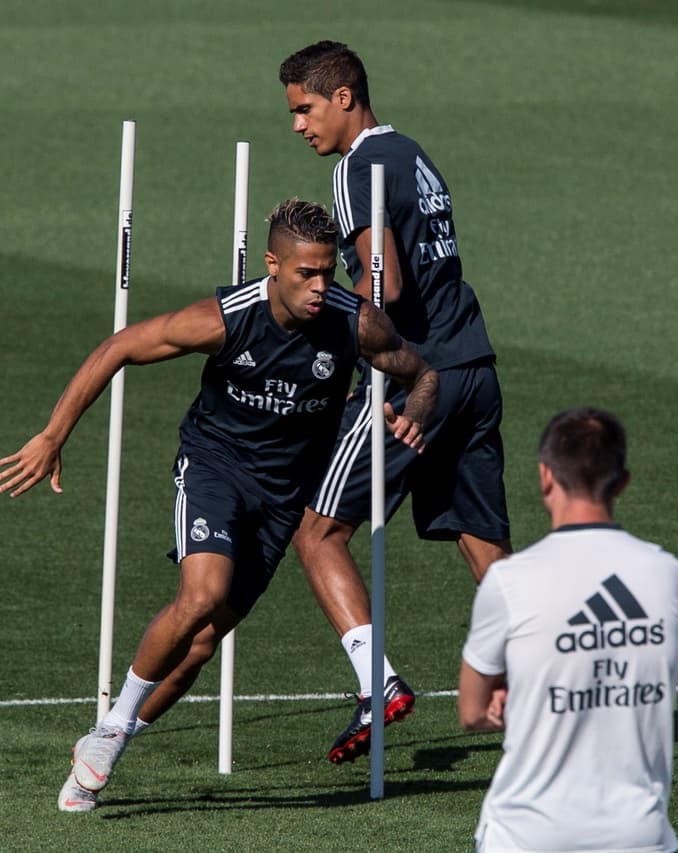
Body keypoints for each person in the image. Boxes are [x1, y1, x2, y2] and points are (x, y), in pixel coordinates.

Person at [0, 199, 437, 812]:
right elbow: (120, 346)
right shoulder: (225, 319)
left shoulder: (355, 323)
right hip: (214, 470)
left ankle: (111, 744)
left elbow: (423, 373)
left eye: (328, 273)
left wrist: (414, 416)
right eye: (305, 273)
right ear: (272, 264)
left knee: (201, 646)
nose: (319, 287)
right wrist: (53, 435)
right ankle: (111, 730)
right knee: (200, 594)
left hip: (283, 499)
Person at [279, 39, 512, 764]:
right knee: (485, 545)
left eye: (304, 108)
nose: (298, 125)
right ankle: (549, 690)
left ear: (343, 97)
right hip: (473, 364)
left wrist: (342, 331)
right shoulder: (413, 153)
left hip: (413, 380)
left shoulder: (356, 169)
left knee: (316, 533)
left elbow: (385, 288)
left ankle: (376, 683)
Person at [459, 408, 678, 852]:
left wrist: (516, 700)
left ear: (546, 477)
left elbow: (471, 710)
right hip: (637, 834)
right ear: (622, 482)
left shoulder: (509, 580)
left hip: (528, 834)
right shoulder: (668, 575)